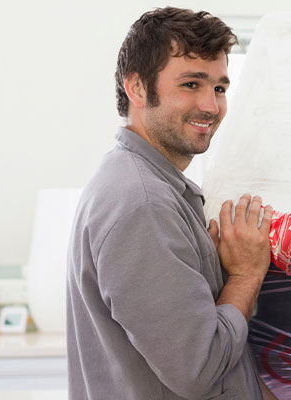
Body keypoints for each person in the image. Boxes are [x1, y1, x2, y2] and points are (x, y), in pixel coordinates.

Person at [67, 7, 275, 399]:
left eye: (219, 88)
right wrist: (246, 276)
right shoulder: (141, 203)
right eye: (191, 84)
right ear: (138, 88)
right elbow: (199, 368)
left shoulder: (153, 187)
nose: (211, 107)